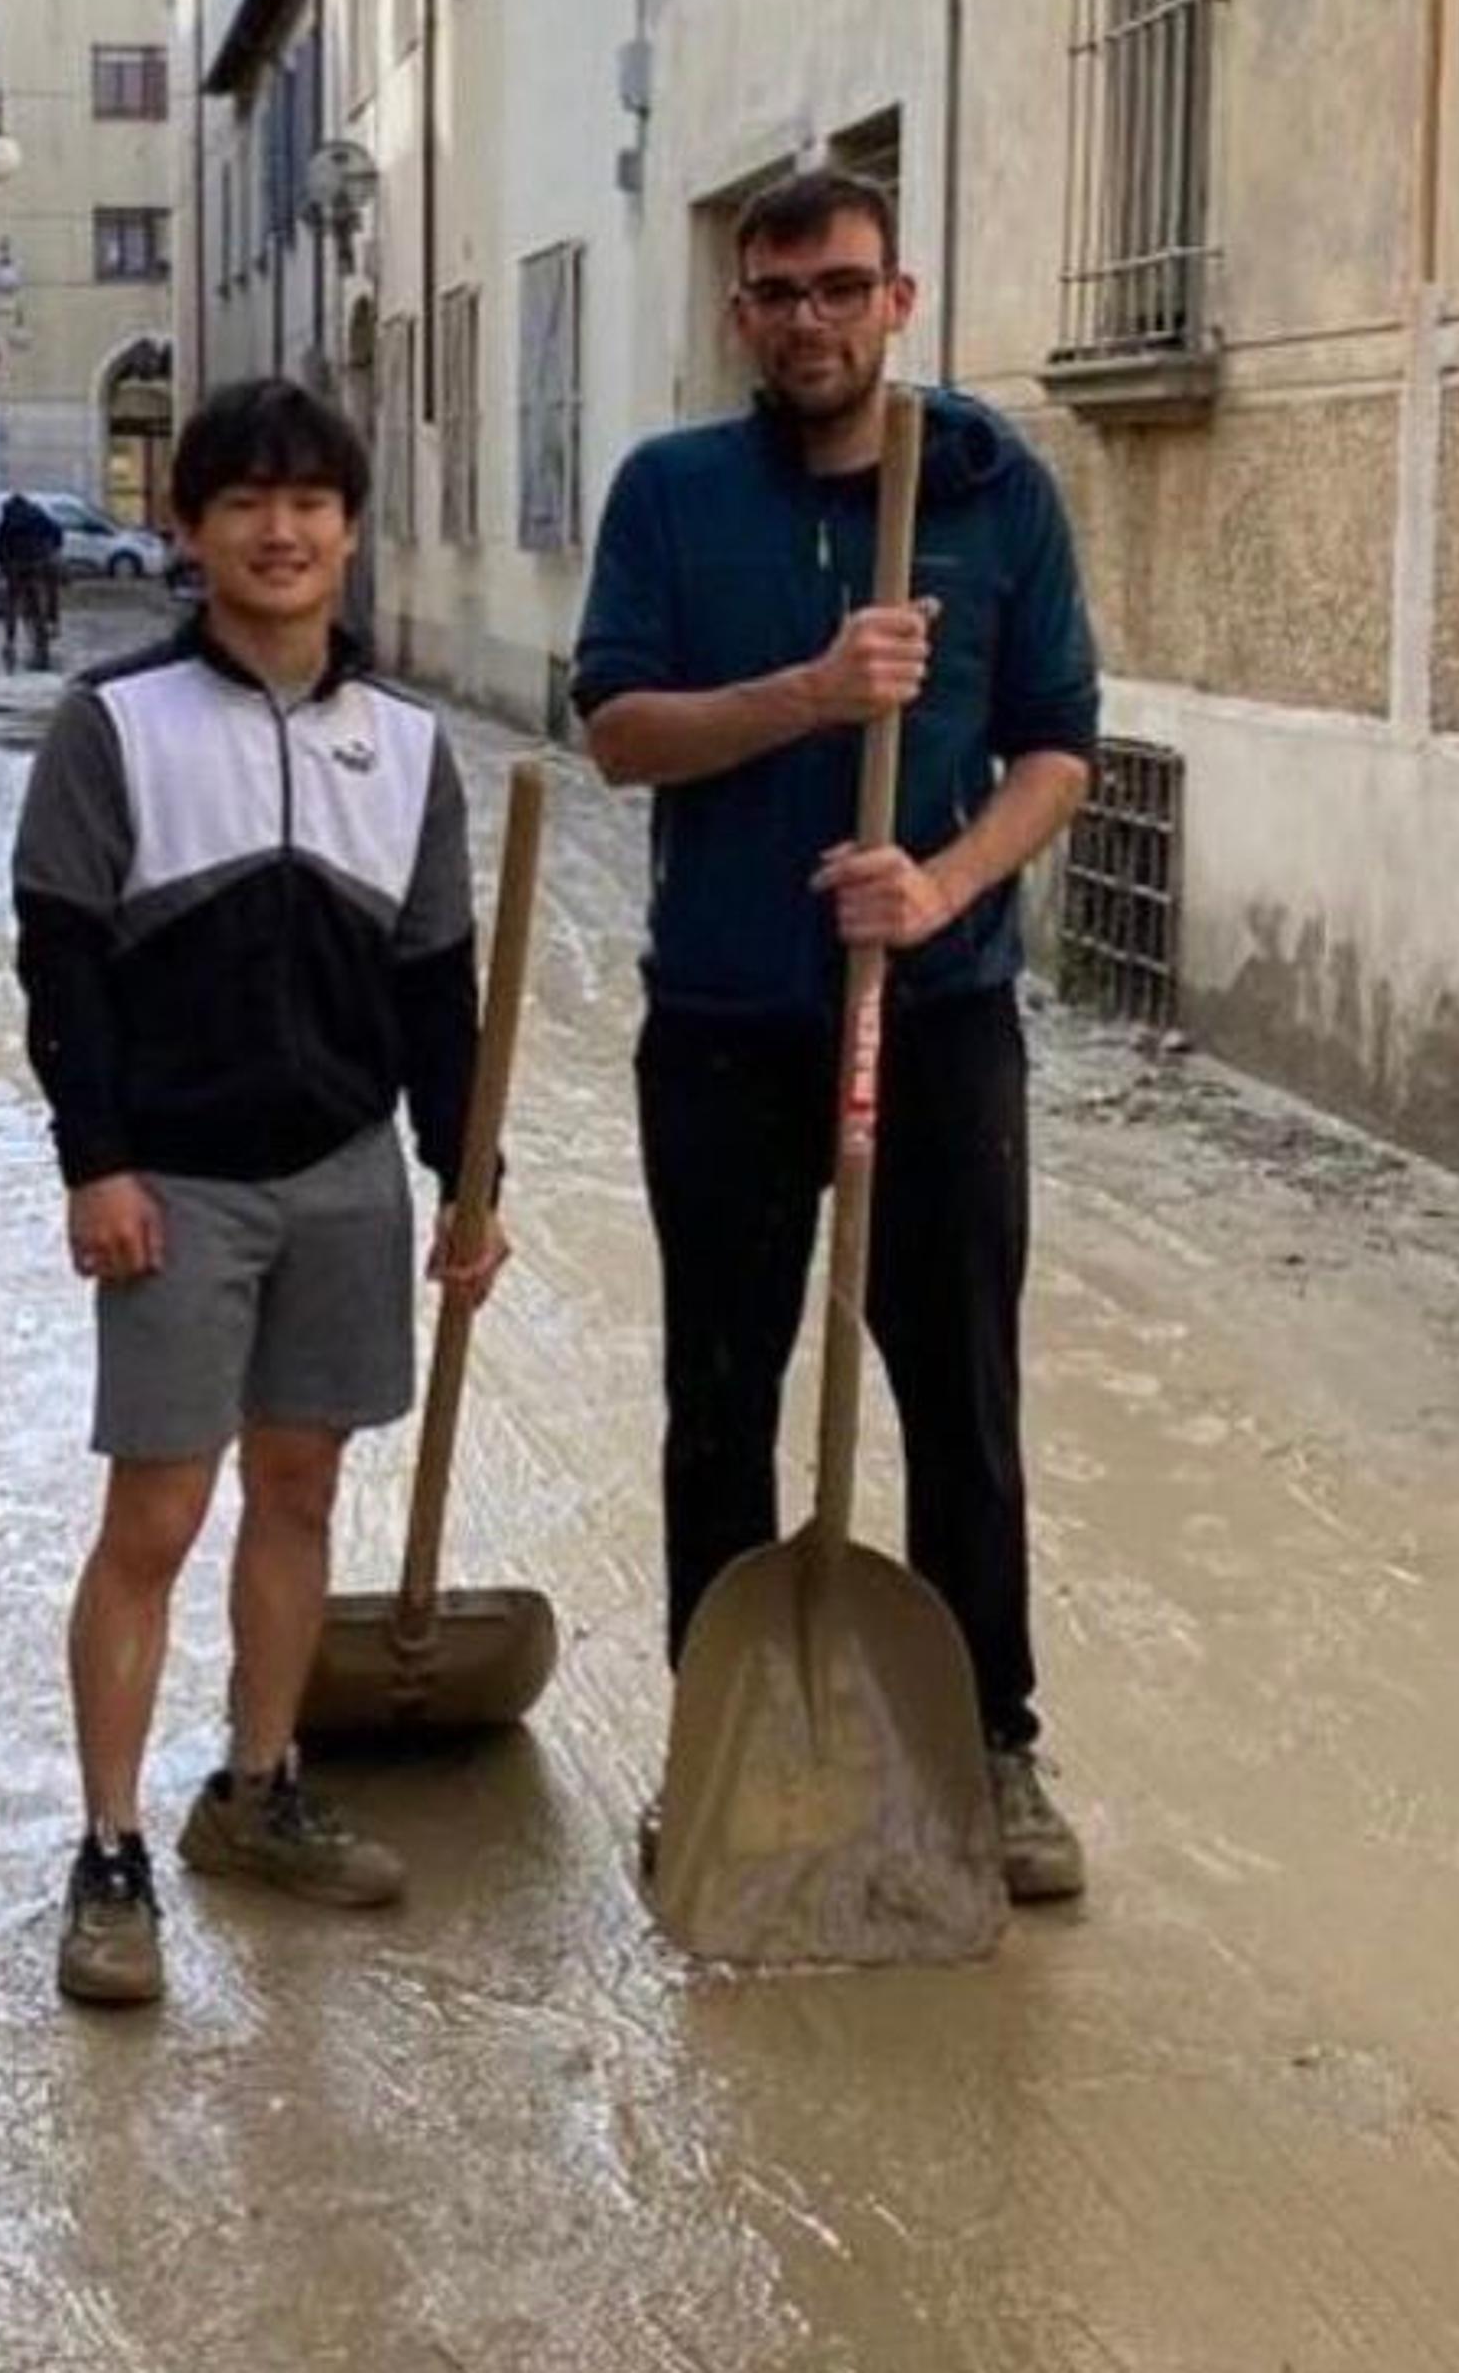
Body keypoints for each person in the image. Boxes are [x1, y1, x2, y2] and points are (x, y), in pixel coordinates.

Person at [572, 166, 1102, 1903]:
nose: (810, 317)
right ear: (741, 314)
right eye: (778, 290)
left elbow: (1057, 751)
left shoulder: (994, 492)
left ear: (902, 298)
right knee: (718, 1399)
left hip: (933, 1023)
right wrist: (813, 693)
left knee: (959, 1397)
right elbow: (622, 734)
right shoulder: (670, 495)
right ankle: (720, 1748)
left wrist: (940, 889)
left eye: (842, 286)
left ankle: (993, 1746)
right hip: (724, 1020)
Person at [9, 380, 504, 2009]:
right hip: (179, 1185)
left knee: (301, 1495)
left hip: (347, 1176)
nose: (280, 531)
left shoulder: (409, 745)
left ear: (352, 529)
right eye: (244, 501)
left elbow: (443, 991)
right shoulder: (117, 725)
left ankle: (259, 1788)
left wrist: (466, 1184)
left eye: (310, 502)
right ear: (189, 526)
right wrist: (96, 1165)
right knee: (154, 1516)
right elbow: (63, 966)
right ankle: (108, 1850)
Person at [0, 489, 66, 673]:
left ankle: (9, 640)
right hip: (38, 562)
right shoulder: (37, 514)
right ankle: (48, 626)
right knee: (44, 594)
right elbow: (57, 532)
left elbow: (0, 546)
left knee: (12, 603)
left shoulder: (7, 520)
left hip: (15, 567)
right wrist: (52, 549)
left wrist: (3, 567)